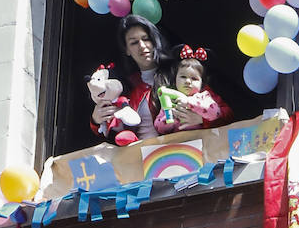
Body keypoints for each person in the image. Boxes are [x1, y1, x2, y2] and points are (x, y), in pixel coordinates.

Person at [91, 15, 225, 141]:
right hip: (143, 160)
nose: (142, 46)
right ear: (127, 50)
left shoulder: (180, 73)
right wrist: (96, 121)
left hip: (187, 155)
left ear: (154, 41)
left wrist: (201, 119)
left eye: (146, 39)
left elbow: (225, 112)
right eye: (134, 42)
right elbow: (112, 131)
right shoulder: (123, 87)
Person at [152, 45, 232, 134]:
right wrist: (169, 118)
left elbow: (215, 113)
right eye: (183, 77)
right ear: (175, 79)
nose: (187, 81)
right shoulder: (170, 100)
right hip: (179, 143)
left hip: (203, 141)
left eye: (194, 79)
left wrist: (189, 103)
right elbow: (159, 128)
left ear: (202, 83)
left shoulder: (204, 96)